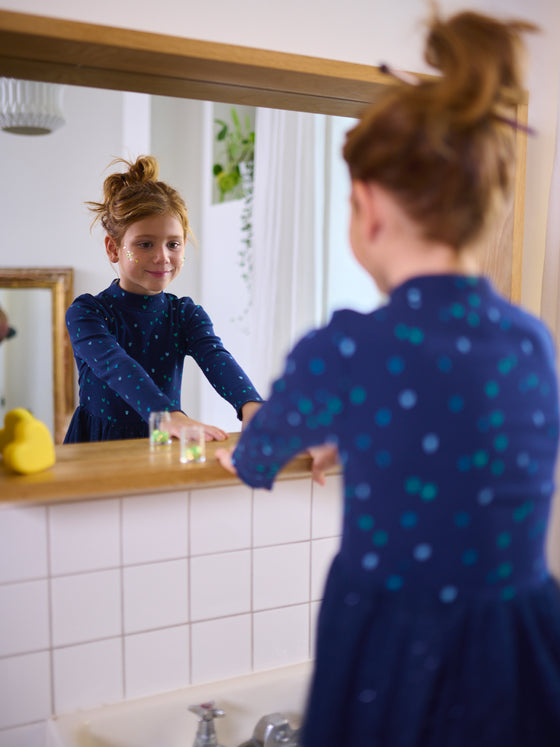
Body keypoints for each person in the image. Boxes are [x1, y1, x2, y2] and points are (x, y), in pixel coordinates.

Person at [216, 9, 560, 746]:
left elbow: (255, 460)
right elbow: (462, 434)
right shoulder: (530, 342)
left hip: (397, 647)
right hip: (519, 639)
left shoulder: (348, 348)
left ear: (368, 208)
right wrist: (367, 435)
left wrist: (234, 446)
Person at [64, 155, 262, 443]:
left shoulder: (185, 314)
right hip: (96, 446)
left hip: (160, 445)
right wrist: (168, 415)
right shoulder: (87, 313)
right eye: (145, 244)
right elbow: (116, 364)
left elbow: (216, 358)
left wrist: (251, 404)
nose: (162, 257)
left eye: (173, 244)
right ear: (113, 248)